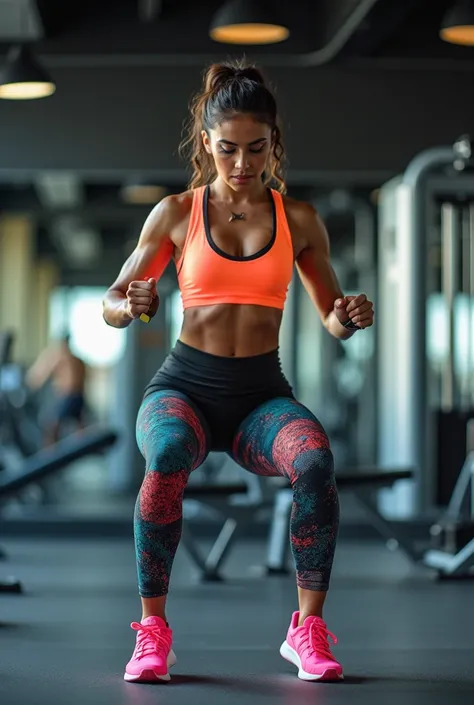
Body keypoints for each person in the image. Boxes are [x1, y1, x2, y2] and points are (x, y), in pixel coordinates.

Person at [103, 60, 374, 684]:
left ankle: (306, 629)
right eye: (227, 150)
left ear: (273, 143)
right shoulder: (176, 212)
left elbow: (330, 317)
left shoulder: (298, 220)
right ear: (207, 144)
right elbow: (113, 301)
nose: (242, 164)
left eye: (256, 149)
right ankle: (153, 633)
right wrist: (130, 304)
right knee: (166, 457)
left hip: (260, 396)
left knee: (313, 460)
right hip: (184, 389)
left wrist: (349, 315)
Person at [26, 334, 87, 445]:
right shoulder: (78, 360)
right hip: (79, 397)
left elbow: (41, 375)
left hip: (67, 396)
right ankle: (84, 447)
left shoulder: (61, 358)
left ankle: (49, 454)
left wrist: (33, 384)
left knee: (51, 424)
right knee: (78, 424)